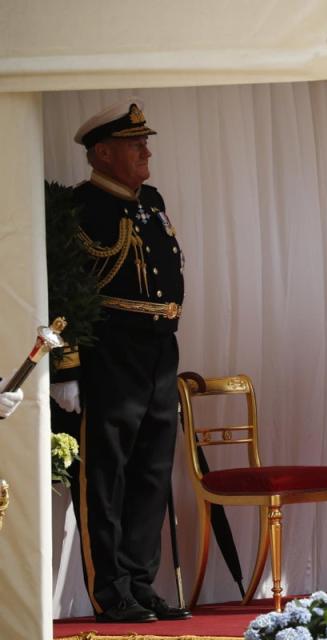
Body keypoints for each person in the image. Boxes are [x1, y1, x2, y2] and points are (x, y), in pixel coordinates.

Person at [48, 99, 191, 622]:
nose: (146, 151)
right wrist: (66, 369)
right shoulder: (78, 208)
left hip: (159, 350)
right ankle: (110, 591)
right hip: (109, 352)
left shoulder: (149, 199)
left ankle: (139, 580)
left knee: (152, 471)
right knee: (105, 475)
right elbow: (61, 290)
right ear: (102, 153)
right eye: (135, 145)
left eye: (144, 143)